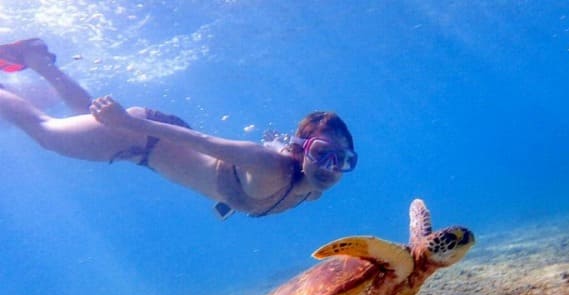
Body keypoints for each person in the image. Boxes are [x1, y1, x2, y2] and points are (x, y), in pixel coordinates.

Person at [0, 39, 357, 218]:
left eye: (342, 160)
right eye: (321, 154)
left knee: (84, 111)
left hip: (149, 141)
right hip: (146, 136)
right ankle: (33, 61)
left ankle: (36, 57)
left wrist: (230, 196)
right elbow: (201, 140)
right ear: (302, 150)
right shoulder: (268, 165)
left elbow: (270, 148)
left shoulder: (313, 189)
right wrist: (128, 123)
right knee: (46, 132)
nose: (330, 168)